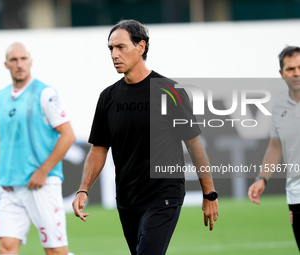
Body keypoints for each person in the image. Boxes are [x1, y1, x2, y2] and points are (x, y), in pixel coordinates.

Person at [72, 19, 219, 255]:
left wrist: (209, 194)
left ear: (140, 47)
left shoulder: (170, 92)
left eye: (121, 47)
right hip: (127, 199)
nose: (114, 54)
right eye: (111, 49)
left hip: (163, 194)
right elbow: (99, 149)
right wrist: (83, 189)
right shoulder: (108, 97)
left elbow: (194, 145)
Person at [0, 42, 76, 255]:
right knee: (5, 249)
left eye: (23, 59)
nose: (19, 64)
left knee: (56, 252)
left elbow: (68, 136)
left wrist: (43, 171)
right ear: (6, 64)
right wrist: (5, 172)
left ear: (30, 61)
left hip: (42, 184)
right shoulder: (0, 97)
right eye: (14, 60)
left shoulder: (45, 94)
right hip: (12, 188)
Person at [248, 46, 300, 250]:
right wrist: (262, 179)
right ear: (282, 74)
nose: (296, 73)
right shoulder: (279, 106)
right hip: (296, 194)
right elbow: (276, 146)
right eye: (290, 69)